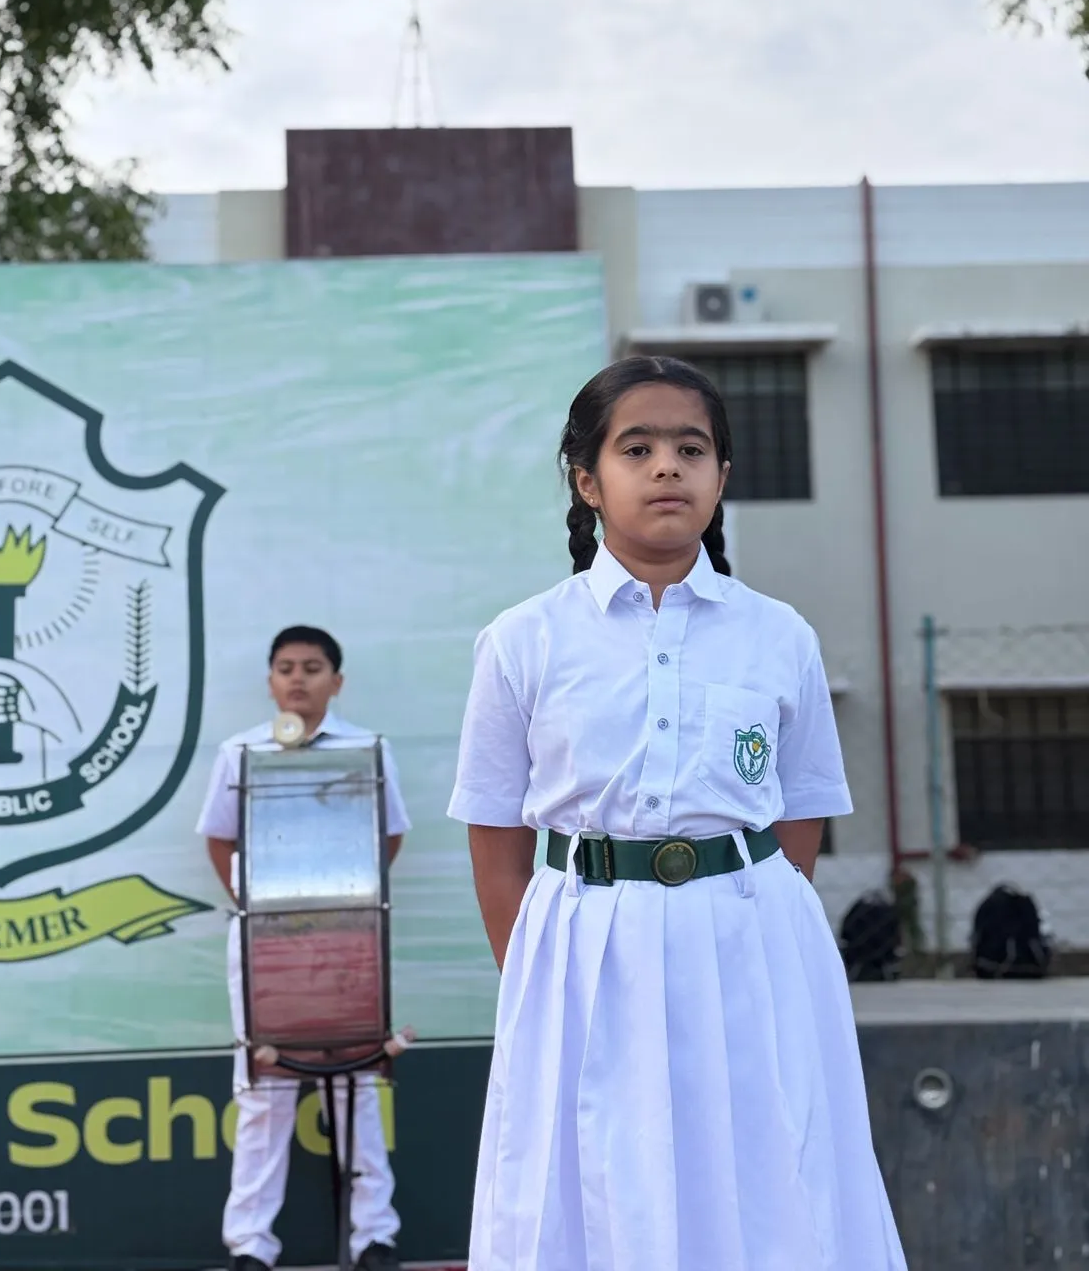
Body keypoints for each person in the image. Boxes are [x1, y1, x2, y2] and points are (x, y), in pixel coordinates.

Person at [448, 355, 907, 1271]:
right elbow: (496, 832)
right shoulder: (525, 638)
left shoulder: (779, 634)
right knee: (594, 1176)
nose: (668, 468)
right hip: (584, 948)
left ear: (722, 478)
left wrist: (735, 919)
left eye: (692, 449)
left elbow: (802, 815)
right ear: (587, 481)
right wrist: (546, 971)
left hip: (750, 943)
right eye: (639, 447)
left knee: (769, 1166)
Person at [198, 625, 410, 1271]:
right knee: (264, 1091)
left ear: (335, 681)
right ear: (270, 680)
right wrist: (264, 908)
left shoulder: (367, 748)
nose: (297, 679)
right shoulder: (240, 752)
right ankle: (251, 1247)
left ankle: (374, 1236)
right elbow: (218, 839)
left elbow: (390, 835)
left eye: (312, 668)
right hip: (265, 945)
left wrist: (343, 902)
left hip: (348, 943)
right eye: (285, 667)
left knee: (358, 1087)